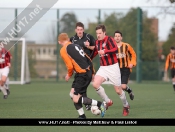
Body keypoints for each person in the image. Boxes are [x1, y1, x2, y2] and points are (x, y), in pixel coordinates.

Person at [58, 33, 106, 119]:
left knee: (76, 98)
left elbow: (69, 66)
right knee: (72, 94)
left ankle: (100, 104)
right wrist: (92, 72)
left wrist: (69, 75)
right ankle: (82, 116)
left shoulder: (63, 50)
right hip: (85, 73)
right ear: (68, 39)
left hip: (82, 74)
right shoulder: (76, 46)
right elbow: (88, 58)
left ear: (59, 42)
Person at [91, 24, 130, 116]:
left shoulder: (109, 39)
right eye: (97, 33)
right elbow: (95, 53)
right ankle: (108, 101)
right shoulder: (97, 42)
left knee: (118, 90)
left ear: (104, 33)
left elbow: (115, 49)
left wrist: (105, 51)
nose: (98, 35)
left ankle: (126, 105)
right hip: (103, 68)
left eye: (100, 33)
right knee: (95, 84)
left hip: (113, 67)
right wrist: (87, 59)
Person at [69, 22, 96, 110]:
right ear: (75, 30)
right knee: (79, 88)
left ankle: (94, 104)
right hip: (78, 66)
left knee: (81, 86)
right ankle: (88, 103)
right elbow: (68, 50)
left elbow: (95, 48)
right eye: (78, 30)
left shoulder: (89, 37)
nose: (80, 31)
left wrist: (88, 46)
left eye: (81, 30)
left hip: (87, 65)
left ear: (83, 30)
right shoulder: (72, 39)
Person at [113, 30, 136, 100]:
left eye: (119, 36)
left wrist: (132, 63)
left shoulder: (126, 46)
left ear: (121, 38)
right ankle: (125, 101)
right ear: (114, 38)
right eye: (116, 36)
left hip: (125, 68)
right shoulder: (112, 47)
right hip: (116, 69)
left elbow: (133, 54)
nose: (117, 37)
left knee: (123, 86)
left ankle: (129, 91)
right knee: (118, 88)